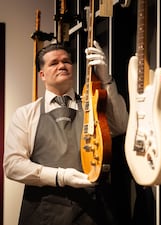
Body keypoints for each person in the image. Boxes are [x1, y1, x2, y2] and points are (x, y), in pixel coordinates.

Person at [3, 41, 128, 225]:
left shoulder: (92, 104)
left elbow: (120, 126)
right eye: (54, 63)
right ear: (42, 74)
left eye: (67, 61)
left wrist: (107, 80)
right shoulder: (26, 114)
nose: (62, 65)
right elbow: (12, 166)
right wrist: (60, 177)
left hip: (93, 213)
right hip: (44, 214)